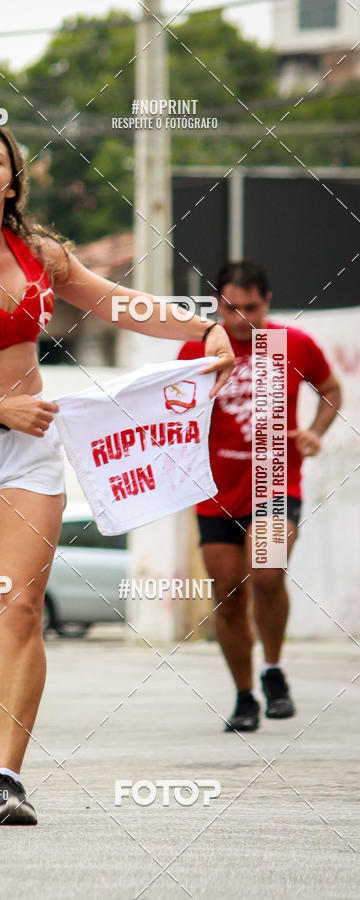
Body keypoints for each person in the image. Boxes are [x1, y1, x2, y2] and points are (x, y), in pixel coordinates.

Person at [0, 120, 235, 825]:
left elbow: (117, 303)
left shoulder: (40, 256)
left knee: (16, 608)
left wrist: (201, 328)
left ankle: (6, 777)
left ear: (11, 182)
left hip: (26, 453)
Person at [178, 260, 342, 733]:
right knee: (228, 596)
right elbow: (165, 406)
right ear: (217, 305)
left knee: (267, 574)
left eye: (250, 307)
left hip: (274, 481)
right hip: (214, 491)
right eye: (230, 307)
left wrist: (313, 432)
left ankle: (272, 669)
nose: (240, 318)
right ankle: (245, 695)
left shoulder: (292, 344)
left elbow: (330, 389)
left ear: (267, 302)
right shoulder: (197, 348)